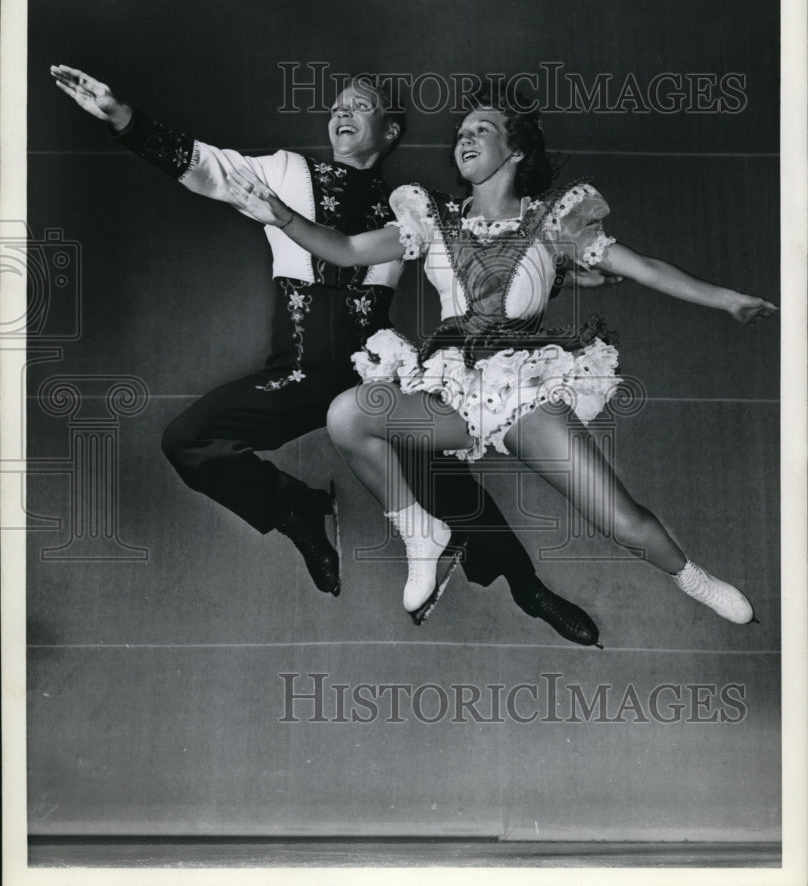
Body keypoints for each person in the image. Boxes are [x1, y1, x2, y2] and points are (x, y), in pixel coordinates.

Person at [50, 64, 610, 644]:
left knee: (443, 483)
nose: (340, 113)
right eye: (336, 105)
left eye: (359, 106)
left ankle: (526, 586)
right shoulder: (287, 172)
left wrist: (570, 271)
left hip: (373, 374)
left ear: (391, 130)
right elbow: (203, 166)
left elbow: (496, 259)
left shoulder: (418, 210)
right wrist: (123, 117)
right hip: (297, 373)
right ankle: (298, 511)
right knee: (187, 439)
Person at [225, 83, 777, 624]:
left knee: (620, 519)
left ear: (514, 149)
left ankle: (693, 578)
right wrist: (282, 214)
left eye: (480, 130)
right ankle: (421, 534)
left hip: (525, 390)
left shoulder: (556, 224)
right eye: (461, 132)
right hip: (452, 390)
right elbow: (345, 251)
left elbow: (648, 268)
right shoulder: (433, 219)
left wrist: (729, 300)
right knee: (348, 413)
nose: (464, 139)